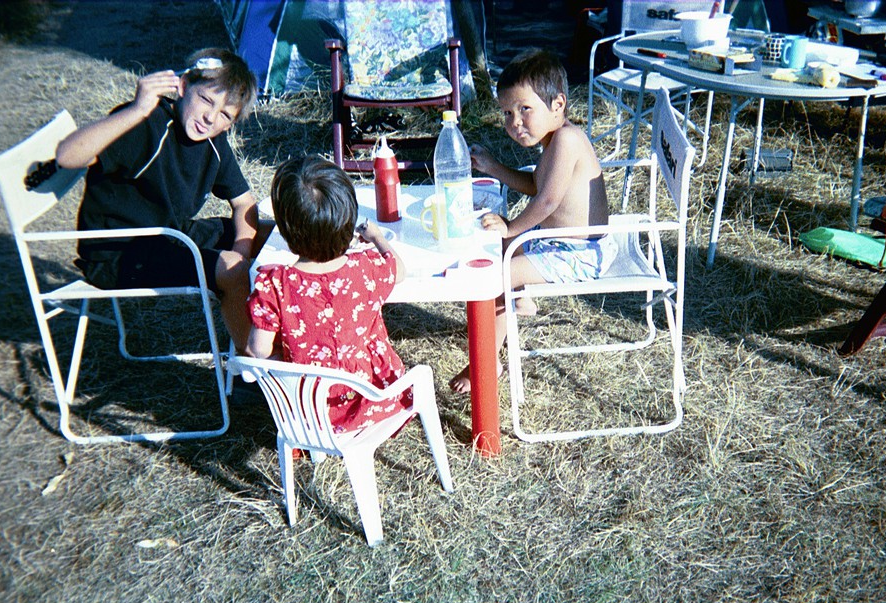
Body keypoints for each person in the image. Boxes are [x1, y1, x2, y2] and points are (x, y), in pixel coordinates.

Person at [56, 47, 266, 352]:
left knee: (274, 235)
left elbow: (244, 203)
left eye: (224, 114)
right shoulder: (146, 125)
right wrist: (137, 109)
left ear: (230, 124)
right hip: (117, 254)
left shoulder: (214, 142)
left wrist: (243, 250)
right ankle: (252, 362)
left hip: (170, 234)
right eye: (206, 100)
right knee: (230, 269)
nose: (210, 117)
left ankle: (288, 335)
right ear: (183, 86)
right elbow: (67, 156)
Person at [449, 48, 614, 393]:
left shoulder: (567, 140)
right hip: (556, 240)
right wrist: (494, 167)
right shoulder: (554, 139)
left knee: (496, 276)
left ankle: (486, 362)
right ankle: (520, 298)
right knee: (497, 242)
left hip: (580, 252)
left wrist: (512, 227)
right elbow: (539, 185)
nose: (515, 122)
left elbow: (547, 200)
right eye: (507, 113)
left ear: (558, 104)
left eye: (525, 109)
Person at [246, 157, 411, 433]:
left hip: (309, 412)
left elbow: (257, 349)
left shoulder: (275, 284)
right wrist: (377, 237)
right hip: (375, 399)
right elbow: (399, 270)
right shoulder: (366, 268)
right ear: (347, 219)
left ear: (285, 229)